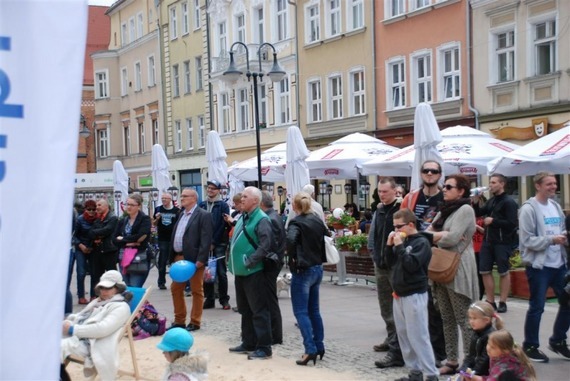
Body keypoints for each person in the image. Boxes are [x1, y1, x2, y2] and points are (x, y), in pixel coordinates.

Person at [428, 174, 478, 375]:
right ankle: (452, 360)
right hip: (441, 267)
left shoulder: (465, 209)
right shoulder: (443, 210)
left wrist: (438, 237)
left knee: (464, 319)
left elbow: (453, 238)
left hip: (458, 269)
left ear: (461, 191)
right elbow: (428, 231)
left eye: (449, 187)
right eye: (444, 186)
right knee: (446, 318)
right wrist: (441, 236)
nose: (444, 189)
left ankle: (469, 360)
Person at [519, 172, 569, 362]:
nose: (553, 187)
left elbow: (559, 230)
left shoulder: (555, 206)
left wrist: (564, 236)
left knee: (567, 301)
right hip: (540, 266)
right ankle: (530, 345)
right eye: (549, 184)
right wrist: (552, 239)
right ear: (538, 186)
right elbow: (526, 240)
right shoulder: (529, 209)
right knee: (537, 307)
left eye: (555, 183)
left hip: (559, 264)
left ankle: (558, 340)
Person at [400, 160, 447, 364]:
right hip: (416, 255)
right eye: (426, 170)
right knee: (422, 308)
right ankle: (422, 353)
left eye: (433, 171)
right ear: (421, 174)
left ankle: (439, 353)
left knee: (438, 307)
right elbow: (401, 223)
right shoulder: (411, 198)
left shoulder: (446, 198)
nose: (429, 174)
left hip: (439, 256)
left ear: (439, 174)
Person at [386, 209, 438, 381]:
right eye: (394, 227)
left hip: (415, 293)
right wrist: (389, 246)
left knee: (419, 335)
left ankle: (431, 374)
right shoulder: (404, 240)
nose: (396, 230)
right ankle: (414, 372)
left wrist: (400, 246)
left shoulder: (421, 243)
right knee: (403, 334)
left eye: (398, 226)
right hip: (399, 293)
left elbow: (411, 265)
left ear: (410, 225)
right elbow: (390, 262)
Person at [228, 186, 274, 360]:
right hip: (241, 271)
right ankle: (248, 342)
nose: (242, 199)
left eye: (245, 197)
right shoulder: (244, 216)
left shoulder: (261, 219)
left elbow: (266, 245)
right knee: (245, 309)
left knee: (259, 310)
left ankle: (264, 347)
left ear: (255, 200)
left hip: (254, 271)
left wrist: (250, 260)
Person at [60, 270, 132, 380]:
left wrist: (72, 329)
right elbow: (81, 316)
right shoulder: (99, 301)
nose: (103, 291)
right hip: (80, 337)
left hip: (93, 344)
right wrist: (67, 320)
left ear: (117, 288)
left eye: (108, 288)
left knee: (55, 348)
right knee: (46, 341)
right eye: (102, 288)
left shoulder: (121, 307)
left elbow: (102, 329)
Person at [286, 191, 329, 366]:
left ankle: (310, 349)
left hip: (303, 269)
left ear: (295, 206)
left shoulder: (296, 222)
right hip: (317, 267)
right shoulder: (317, 219)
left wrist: (292, 255)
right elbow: (327, 233)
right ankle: (319, 345)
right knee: (314, 310)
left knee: (301, 312)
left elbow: (290, 240)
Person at [367, 177, 404, 368]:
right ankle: (391, 339)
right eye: (380, 191)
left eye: (385, 192)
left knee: (398, 308)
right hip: (380, 264)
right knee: (385, 306)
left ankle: (398, 346)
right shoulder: (379, 210)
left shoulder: (401, 209)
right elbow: (373, 234)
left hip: (395, 266)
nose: (382, 195)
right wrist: (373, 253)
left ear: (394, 191)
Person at [472, 174, 519, 313]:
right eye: (490, 182)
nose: (490, 185)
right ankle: (490, 301)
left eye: (493, 182)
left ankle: (503, 301)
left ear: (502, 184)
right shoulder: (492, 200)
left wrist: (494, 221)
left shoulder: (509, 202)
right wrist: (475, 200)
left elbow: (512, 224)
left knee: (503, 271)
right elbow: (479, 213)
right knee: (484, 270)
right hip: (488, 241)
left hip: (502, 242)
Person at [169, 188, 213, 332]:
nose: (182, 198)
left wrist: (201, 259)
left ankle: (195, 321)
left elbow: (206, 238)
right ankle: (179, 320)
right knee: (176, 288)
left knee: (196, 290)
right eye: (181, 196)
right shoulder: (181, 214)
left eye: (185, 196)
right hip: (179, 257)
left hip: (194, 259)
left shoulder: (203, 215)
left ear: (194, 198)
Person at [199, 180, 231, 310]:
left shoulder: (223, 205)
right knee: (207, 272)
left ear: (218, 190)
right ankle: (209, 298)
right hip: (204, 243)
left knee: (221, 272)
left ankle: (224, 299)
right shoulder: (202, 204)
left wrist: (213, 242)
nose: (210, 190)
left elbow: (223, 225)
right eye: (209, 188)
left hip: (219, 243)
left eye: (213, 188)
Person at [260, 190, 286, 345]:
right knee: (269, 299)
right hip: (272, 263)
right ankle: (273, 333)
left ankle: (276, 335)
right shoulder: (271, 216)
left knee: (270, 300)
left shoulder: (270, 219)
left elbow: (272, 244)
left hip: (270, 264)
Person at [114, 194, 151, 287]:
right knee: (127, 286)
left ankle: (139, 301)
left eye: (132, 205)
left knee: (135, 286)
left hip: (139, 256)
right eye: (127, 204)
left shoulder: (144, 219)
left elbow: (141, 236)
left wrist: (123, 239)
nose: (128, 207)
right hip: (123, 256)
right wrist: (130, 242)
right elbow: (114, 238)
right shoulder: (123, 220)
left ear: (139, 206)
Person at [460, 301, 505, 377]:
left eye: (474, 318)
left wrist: (473, 374)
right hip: (476, 371)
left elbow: (485, 359)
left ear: (486, 320)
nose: (471, 321)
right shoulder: (476, 333)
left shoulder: (491, 336)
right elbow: (471, 355)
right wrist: (463, 369)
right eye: (470, 318)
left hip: (487, 373)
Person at [470, 330, 536, 381]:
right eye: (488, 344)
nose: (488, 348)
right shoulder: (499, 358)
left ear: (505, 351)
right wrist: (474, 377)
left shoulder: (506, 368)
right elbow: (493, 377)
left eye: (493, 347)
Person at [89, 199, 119, 295]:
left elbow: (108, 230)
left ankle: (114, 294)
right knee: (96, 275)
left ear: (106, 206)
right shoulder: (97, 219)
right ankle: (97, 296)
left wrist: (97, 234)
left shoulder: (113, 218)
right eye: (97, 205)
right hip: (97, 250)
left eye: (99, 205)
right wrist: (97, 235)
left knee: (112, 275)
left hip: (109, 250)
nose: (97, 207)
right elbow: (91, 232)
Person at [153, 192, 180, 290]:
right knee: (162, 261)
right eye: (162, 198)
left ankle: (177, 281)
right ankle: (161, 282)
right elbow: (154, 224)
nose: (163, 200)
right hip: (163, 238)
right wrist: (157, 218)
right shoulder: (158, 209)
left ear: (170, 199)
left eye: (165, 198)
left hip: (173, 238)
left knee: (174, 261)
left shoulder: (176, 210)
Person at [72, 200, 98, 304]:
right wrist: (81, 245)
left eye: (93, 209)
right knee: (81, 272)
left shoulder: (98, 219)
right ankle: (81, 296)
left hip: (93, 248)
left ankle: (93, 295)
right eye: (89, 209)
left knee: (94, 273)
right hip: (80, 248)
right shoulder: (80, 219)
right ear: (85, 209)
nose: (91, 211)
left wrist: (92, 246)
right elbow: (74, 235)